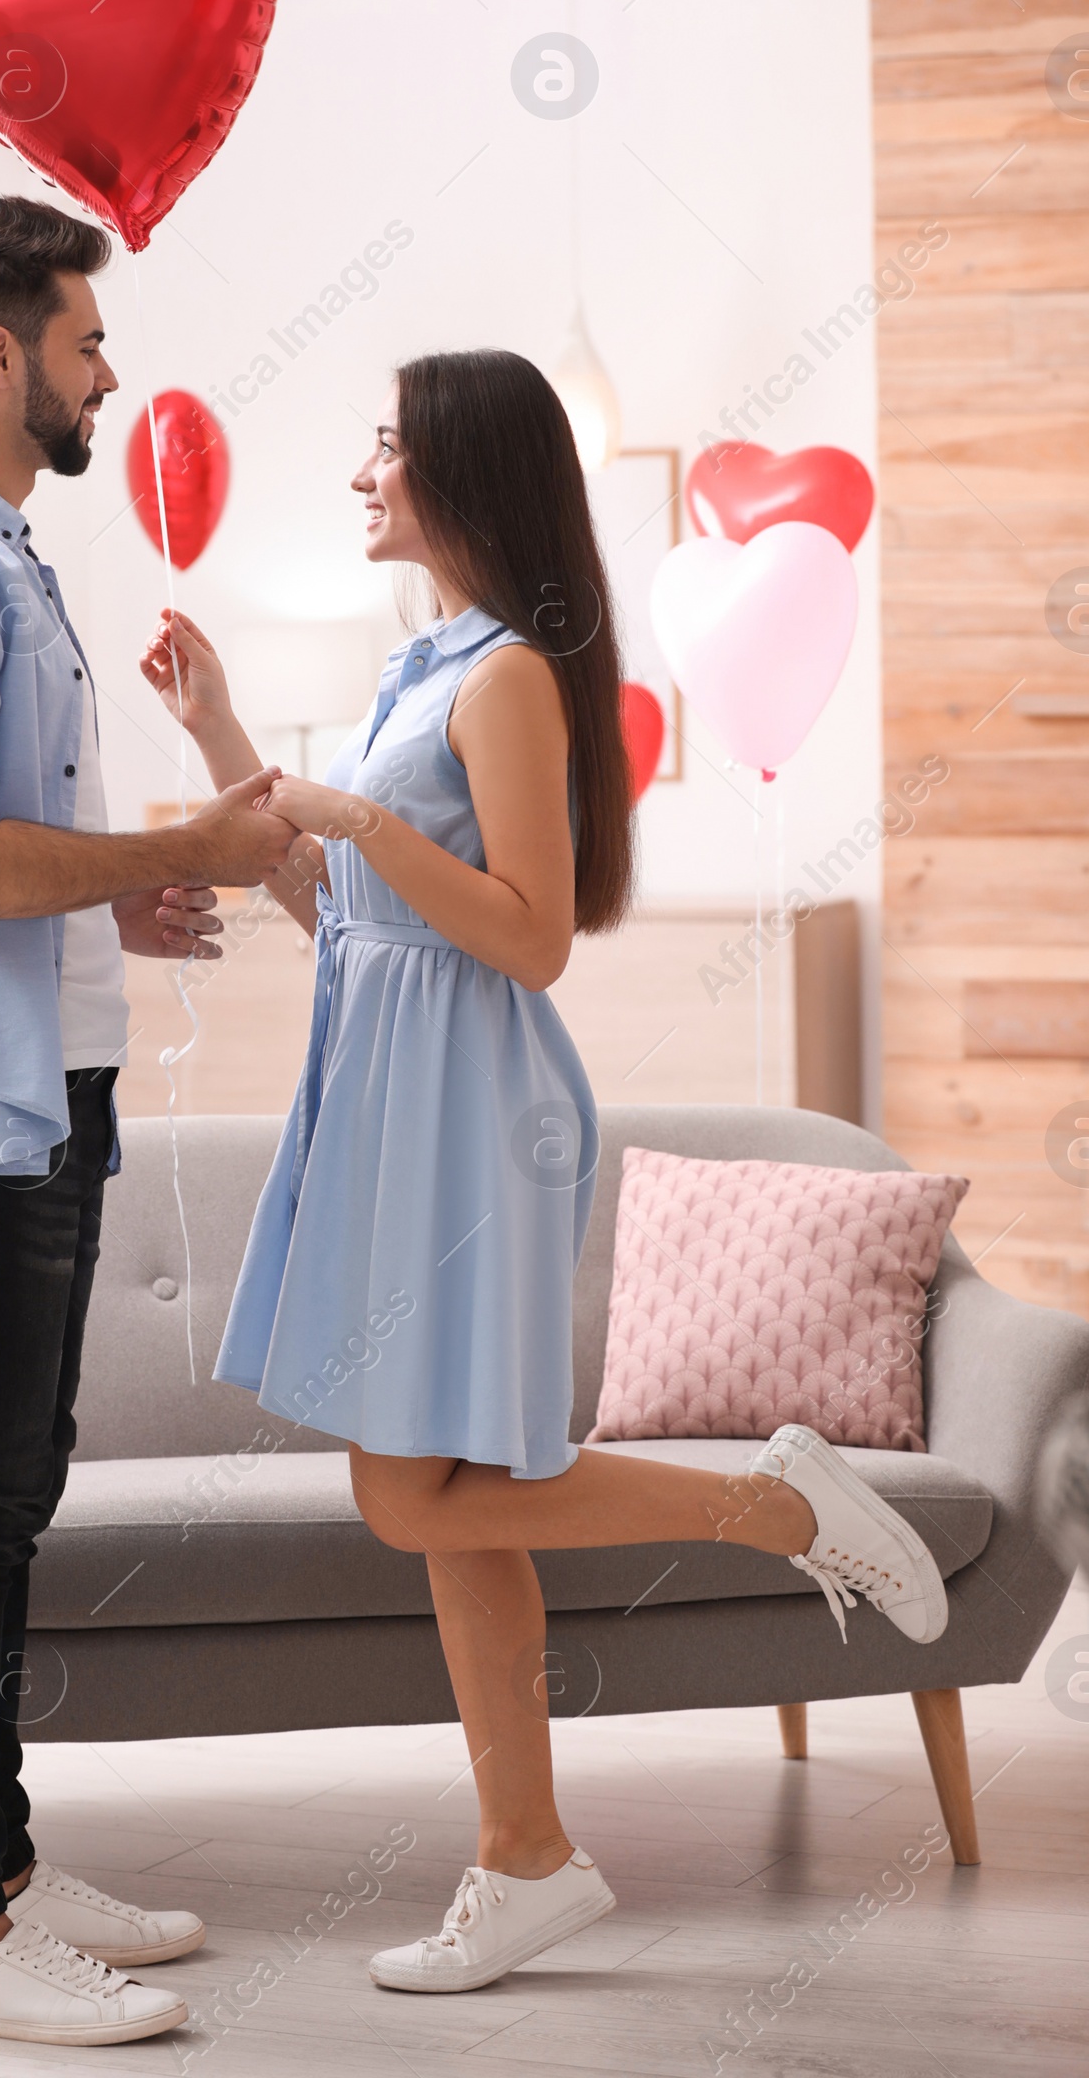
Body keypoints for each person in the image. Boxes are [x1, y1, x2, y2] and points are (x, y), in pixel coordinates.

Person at [140, 347, 948, 1996]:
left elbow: (530, 935)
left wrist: (361, 829)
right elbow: (345, 924)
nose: (362, 472)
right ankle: (523, 1857)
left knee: (417, 1485)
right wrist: (223, 727)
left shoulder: (504, 677)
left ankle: (780, 1505)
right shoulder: (418, 669)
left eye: (384, 445)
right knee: (445, 1508)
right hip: (392, 1100)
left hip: (472, 1115)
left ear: (456, 469)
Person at [0, 193, 296, 2046]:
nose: (114, 374)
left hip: (41, 1077)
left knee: (12, 1489)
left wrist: (118, 901)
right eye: (92, 343)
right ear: (4, 355)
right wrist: (183, 843)